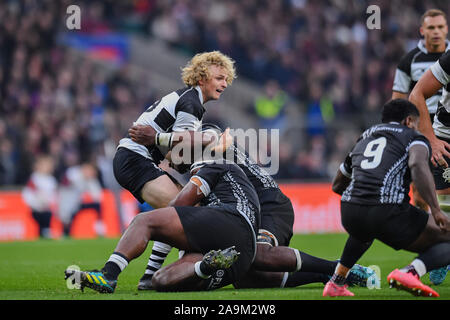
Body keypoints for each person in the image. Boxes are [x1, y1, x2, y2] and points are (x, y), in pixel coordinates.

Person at [130, 124, 378, 290]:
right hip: (247, 211)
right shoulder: (201, 163)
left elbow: (211, 137)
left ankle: (341, 269)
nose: (170, 162)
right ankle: (329, 274)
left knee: (259, 253)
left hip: (269, 204)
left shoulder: (209, 139)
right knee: (245, 276)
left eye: (169, 155)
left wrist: (157, 138)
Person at [65, 138, 260, 293]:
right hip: (239, 257)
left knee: (145, 220)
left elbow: (177, 208)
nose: (168, 160)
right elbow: (177, 220)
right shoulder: (231, 174)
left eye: (174, 151)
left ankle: (109, 274)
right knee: (163, 281)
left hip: (231, 221)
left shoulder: (211, 164)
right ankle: (205, 267)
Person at [114, 51, 236, 287]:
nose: (224, 83)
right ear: (202, 78)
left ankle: (149, 276)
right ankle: (119, 272)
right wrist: (212, 139)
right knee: (186, 212)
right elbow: (184, 144)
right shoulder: (191, 102)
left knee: (181, 208)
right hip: (134, 159)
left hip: (135, 159)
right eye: (219, 78)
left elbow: (176, 155)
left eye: (226, 79)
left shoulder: (190, 100)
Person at [322, 99, 450, 297]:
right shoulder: (414, 137)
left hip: (349, 210)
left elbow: (337, 184)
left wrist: (362, 198)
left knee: (364, 230)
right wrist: (435, 209)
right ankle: (411, 272)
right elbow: (417, 165)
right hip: (387, 210)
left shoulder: (365, 136)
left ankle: (336, 282)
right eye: (416, 123)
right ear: (408, 121)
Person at [392, 9, 449, 212]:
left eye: (440, 27)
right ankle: (430, 236)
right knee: (421, 194)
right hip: (423, 131)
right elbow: (397, 104)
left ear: (446, 29)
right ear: (422, 30)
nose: (436, 32)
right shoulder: (409, 61)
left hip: (444, 128)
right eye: (431, 27)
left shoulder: (448, 56)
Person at [409, 46, 450, 285]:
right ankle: (439, 257)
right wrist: (432, 142)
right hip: (446, 138)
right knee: (443, 210)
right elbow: (416, 94)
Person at [22, 155, 58, 239]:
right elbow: (28, 194)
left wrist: (52, 204)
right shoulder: (34, 179)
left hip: (47, 208)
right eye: (45, 165)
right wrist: (35, 204)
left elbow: (54, 194)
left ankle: (45, 233)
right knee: (40, 223)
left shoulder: (51, 180)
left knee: (47, 219)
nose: (48, 167)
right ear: (38, 166)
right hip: (36, 208)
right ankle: (43, 234)